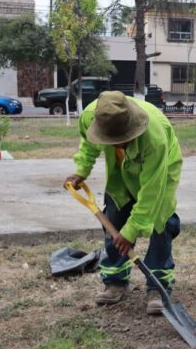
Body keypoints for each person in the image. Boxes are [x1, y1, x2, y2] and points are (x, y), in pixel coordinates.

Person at [65, 91, 182, 315]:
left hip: (161, 172)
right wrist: (81, 170)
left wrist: (131, 231)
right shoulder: (92, 116)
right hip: (121, 171)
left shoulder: (153, 138)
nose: (120, 143)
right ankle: (115, 281)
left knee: (161, 223)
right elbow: (89, 144)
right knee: (115, 217)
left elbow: (151, 192)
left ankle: (158, 285)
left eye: (124, 139)